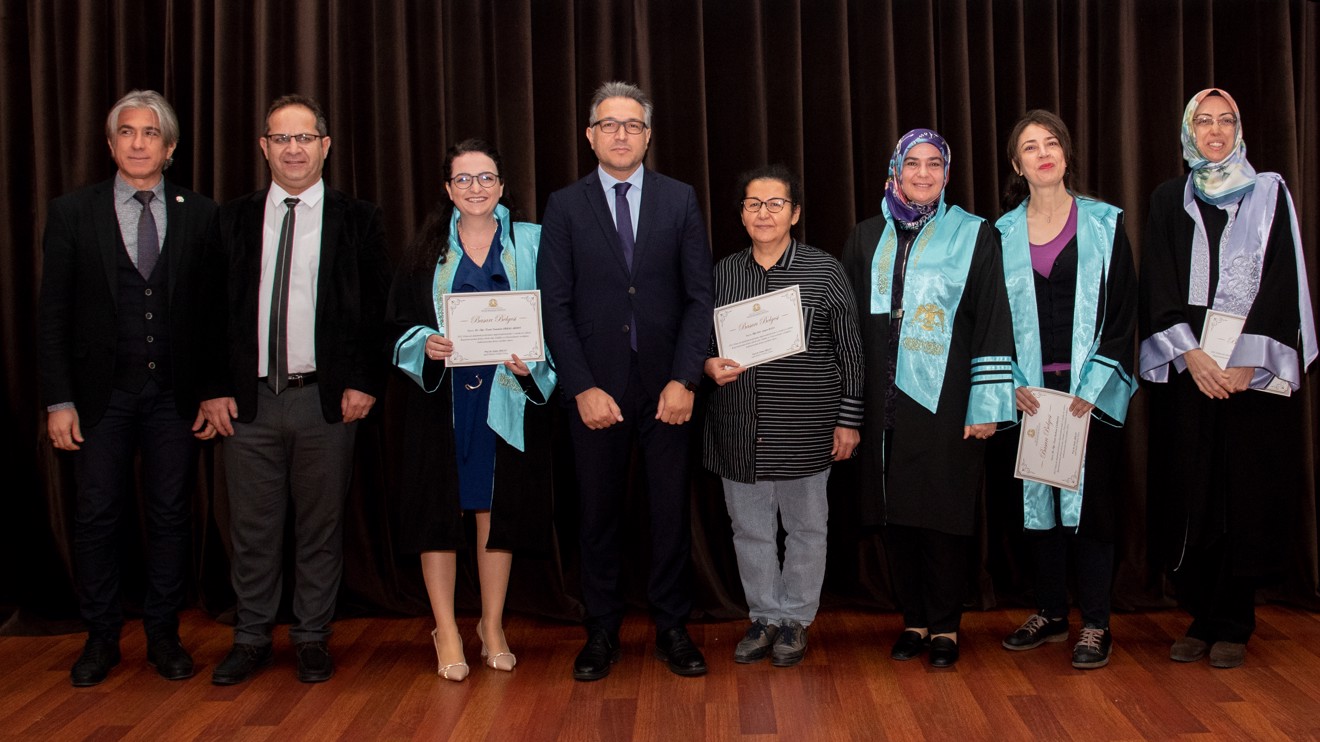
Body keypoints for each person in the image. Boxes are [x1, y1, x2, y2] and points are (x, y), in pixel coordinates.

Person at [198, 94, 391, 685]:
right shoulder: (230, 218)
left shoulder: (359, 218)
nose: (293, 149)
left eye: (305, 137)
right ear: (264, 148)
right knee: (252, 531)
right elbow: (206, 312)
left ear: (325, 146)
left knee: (320, 528)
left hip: (325, 402)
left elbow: (379, 310)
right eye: (281, 138)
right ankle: (252, 637)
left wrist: (363, 381)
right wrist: (211, 389)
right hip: (248, 404)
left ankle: (311, 637)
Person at [38, 89, 218, 686]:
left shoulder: (201, 213)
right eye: (127, 132)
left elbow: (216, 313)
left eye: (150, 134)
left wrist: (212, 388)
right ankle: (100, 638)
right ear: (111, 143)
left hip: (173, 395)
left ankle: (163, 635)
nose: (138, 143)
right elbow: (52, 315)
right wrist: (59, 400)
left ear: (168, 149)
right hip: (99, 398)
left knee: (170, 515)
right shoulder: (71, 212)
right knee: (97, 516)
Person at [538, 81, 714, 681]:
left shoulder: (680, 199)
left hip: (666, 386)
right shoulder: (564, 206)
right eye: (609, 124)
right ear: (590, 135)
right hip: (597, 389)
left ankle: (672, 628)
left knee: (669, 513)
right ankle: (602, 631)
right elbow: (554, 306)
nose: (621, 134)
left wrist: (685, 379)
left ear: (647, 135)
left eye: (632, 125)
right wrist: (580, 386)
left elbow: (699, 297)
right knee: (598, 515)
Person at [1139, 88, 1316, 669]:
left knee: (1242, 493)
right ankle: (1199, 614)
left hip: (1247, 377)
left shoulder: (1270, 194)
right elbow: (1159, 284)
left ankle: (1235, 621)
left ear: (1239, 130)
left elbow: (1283, 280)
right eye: (1203, 121)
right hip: (1191, 372)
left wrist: (1248, 361)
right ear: (1188, 131)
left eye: (1225, 121)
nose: (1214, 131)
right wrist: (1191, 357)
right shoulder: (1170, 198)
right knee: (1193, 493)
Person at [842, 128, 1015, 668]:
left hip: (947, 397)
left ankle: (945, 627)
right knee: (896, 517)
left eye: (933, 164)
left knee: (942, 516)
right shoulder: (866, 236)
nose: (922, 173)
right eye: (911, 163)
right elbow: (846, 329)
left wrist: (987, 404)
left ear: (946, 173)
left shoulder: (975, 235)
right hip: (882, 398)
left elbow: (993, 318)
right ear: (894, 170)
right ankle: (912, 620)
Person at [387, 139, 556, 681]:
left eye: (486, 178)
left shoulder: (532, 244)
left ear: (503, 186)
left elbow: (559, 316)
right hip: (442, 404)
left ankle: (491, 624)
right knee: (439, 512)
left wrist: (538, 366)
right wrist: (424, 344)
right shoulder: (425, 251)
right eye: (463, 179)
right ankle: (446, 628)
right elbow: (396, 325)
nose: (475, 188)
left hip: (504, 397)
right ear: (447, 189)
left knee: (494, 510)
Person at [703, 164, 863, 667]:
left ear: (794, 213)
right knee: (748, 531)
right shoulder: (723, 272)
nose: (764, 213)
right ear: (742, 214)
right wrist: (706, 363)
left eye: (776, 204)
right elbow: (701, 340)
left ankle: (795, 620)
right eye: (754, 204)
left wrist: (849, 419)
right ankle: (764, 616)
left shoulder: (824, 270)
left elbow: (851, 351)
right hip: (738, 427)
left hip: (807, 427)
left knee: (806, 529)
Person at [993, 110, 1137, 670]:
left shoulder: (1104, 223)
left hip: (1087, 393)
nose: (1043, 152)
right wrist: (1010, 382)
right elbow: (989, 319)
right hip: (1027, 393)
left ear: (1066, 154)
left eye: (1051, 142)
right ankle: (1051, 612)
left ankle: (1096, 623)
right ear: (1016, 164)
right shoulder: (998, 234)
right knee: (1036, 508)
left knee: (1090, 509)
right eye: (1030, 147)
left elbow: (1124, 310)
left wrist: (1096, 388)